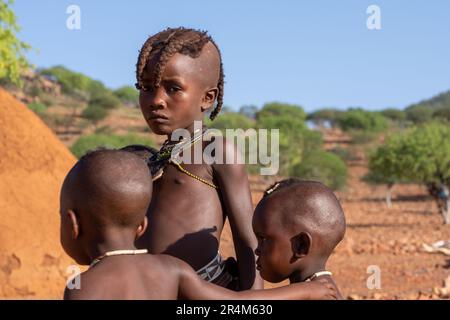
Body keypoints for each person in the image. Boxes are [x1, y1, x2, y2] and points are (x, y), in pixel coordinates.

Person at [60, 149, 338, 299]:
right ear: (142, 226)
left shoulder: (83, 288)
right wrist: (305, 291)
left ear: (73, 225)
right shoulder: (173, 269)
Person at [129, 27, 261, 289]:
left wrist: (252, 301)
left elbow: (248, 242)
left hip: (205, 289)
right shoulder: (146, 159)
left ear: (207, 98)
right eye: (147, 87)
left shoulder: (217, 151)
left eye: (173, 88)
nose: (156, 100)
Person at [253, 178, 346, 298]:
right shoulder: (313, 290)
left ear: (301, 245)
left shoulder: (317, 296)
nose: (257, 250)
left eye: (263, 239)